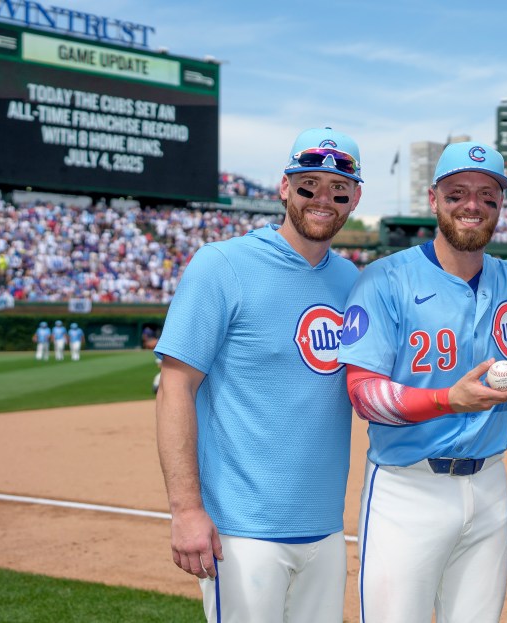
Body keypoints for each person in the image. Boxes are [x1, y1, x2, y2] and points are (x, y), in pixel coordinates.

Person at [155, 127, 364, 622]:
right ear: (284, 187)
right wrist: (186, 510)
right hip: (242, 532)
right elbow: (175, 386)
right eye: (309, 185)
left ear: (355, 198)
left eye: (338, 190)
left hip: (326, 529)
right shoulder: (221, 264)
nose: (323, 199)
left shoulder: (353, 281)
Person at [338, 141, 507, 623]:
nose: (473, 205)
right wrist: (448, 399)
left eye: (488, 194)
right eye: (457, 192)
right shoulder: (384, 280)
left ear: (501, 204)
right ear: (433, 198)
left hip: (489, 487)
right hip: (408, 488)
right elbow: (364, 395)